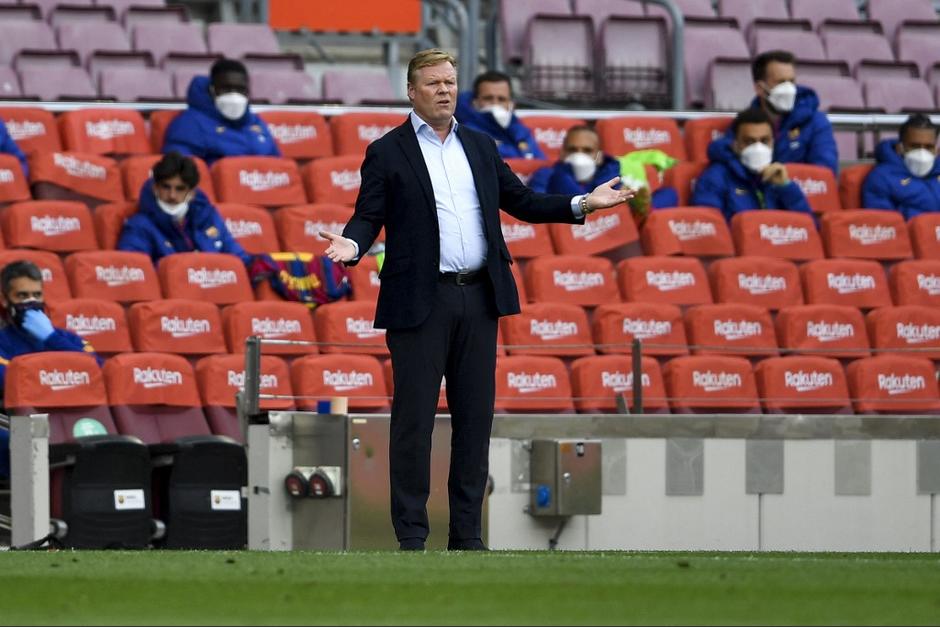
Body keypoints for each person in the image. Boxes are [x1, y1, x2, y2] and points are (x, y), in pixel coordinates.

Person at [319, 49, 633, 551]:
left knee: (474, 421)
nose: (444, 89)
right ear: (411, 91)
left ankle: (467, 536)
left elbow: (523, 202)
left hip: (478, 297)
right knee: (414, 424)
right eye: (433, 83)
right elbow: (367, 214)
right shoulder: (387, 151)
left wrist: (582, 203)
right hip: (420, 303)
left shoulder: (482, 146)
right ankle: (412, 537)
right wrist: (352, 245)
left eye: (449, 81)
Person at [0, 260, 99, 479]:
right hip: (25, 422)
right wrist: (66, 377)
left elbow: (96, 372)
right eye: (22, 296)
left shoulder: (64, 337)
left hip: (77, 418)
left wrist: (50, 338)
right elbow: (10, 382)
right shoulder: (2, 342)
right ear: (5, 300)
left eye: (37, 295)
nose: (31, 302)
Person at [118, 152, 250, 265]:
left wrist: (256, 263)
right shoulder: (139, 226)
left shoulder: (208, 217)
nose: (172, 195)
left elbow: (238, 257)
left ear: (192, 193)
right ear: (155, 188)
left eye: (180, 189)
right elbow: (136, 271)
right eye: (166, 187)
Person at [692, 108, 814, 222]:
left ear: (773, 142)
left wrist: (786, 188)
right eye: (749, 142)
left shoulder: (779, 178)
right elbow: (709, 229)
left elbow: (809, 230)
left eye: (765, 141)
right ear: (735, 145)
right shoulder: (715, 178)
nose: (758, 148)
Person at [734, 50, 838, 174]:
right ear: (760, 88)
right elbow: (725, 154)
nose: (788, 89)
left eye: (791, 81)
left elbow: (825, 173)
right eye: (781, 82)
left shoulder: (816, 123)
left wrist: (784, 182)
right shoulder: (745, 123)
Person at [162, 58, 280, 166]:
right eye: (226, 89)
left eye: (240, 89)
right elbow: (179, 175)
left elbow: (279, 165)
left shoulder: (256, 122)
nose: (234, 95)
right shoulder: (189, 124)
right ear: (211, 89)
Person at [861, 113, 940, 219]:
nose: (922, 152)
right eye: (914, 146)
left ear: (936, 150)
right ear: (900, 148)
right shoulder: (881, 178)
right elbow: (885, 225)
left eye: (928, 147)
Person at [454, 70, 545, 160]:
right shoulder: (467, 132)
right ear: (475, 103)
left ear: (511, 104)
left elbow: (540, 162)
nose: (495, 104)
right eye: (488, 98)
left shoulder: (520, 129)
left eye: (501, 99)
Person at [528, 126, 621, 194]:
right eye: (572, 150)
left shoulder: (613, 179)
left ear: (599, 156)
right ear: (562, 153)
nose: (579, 155)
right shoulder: (544, 177)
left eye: (587, 150)